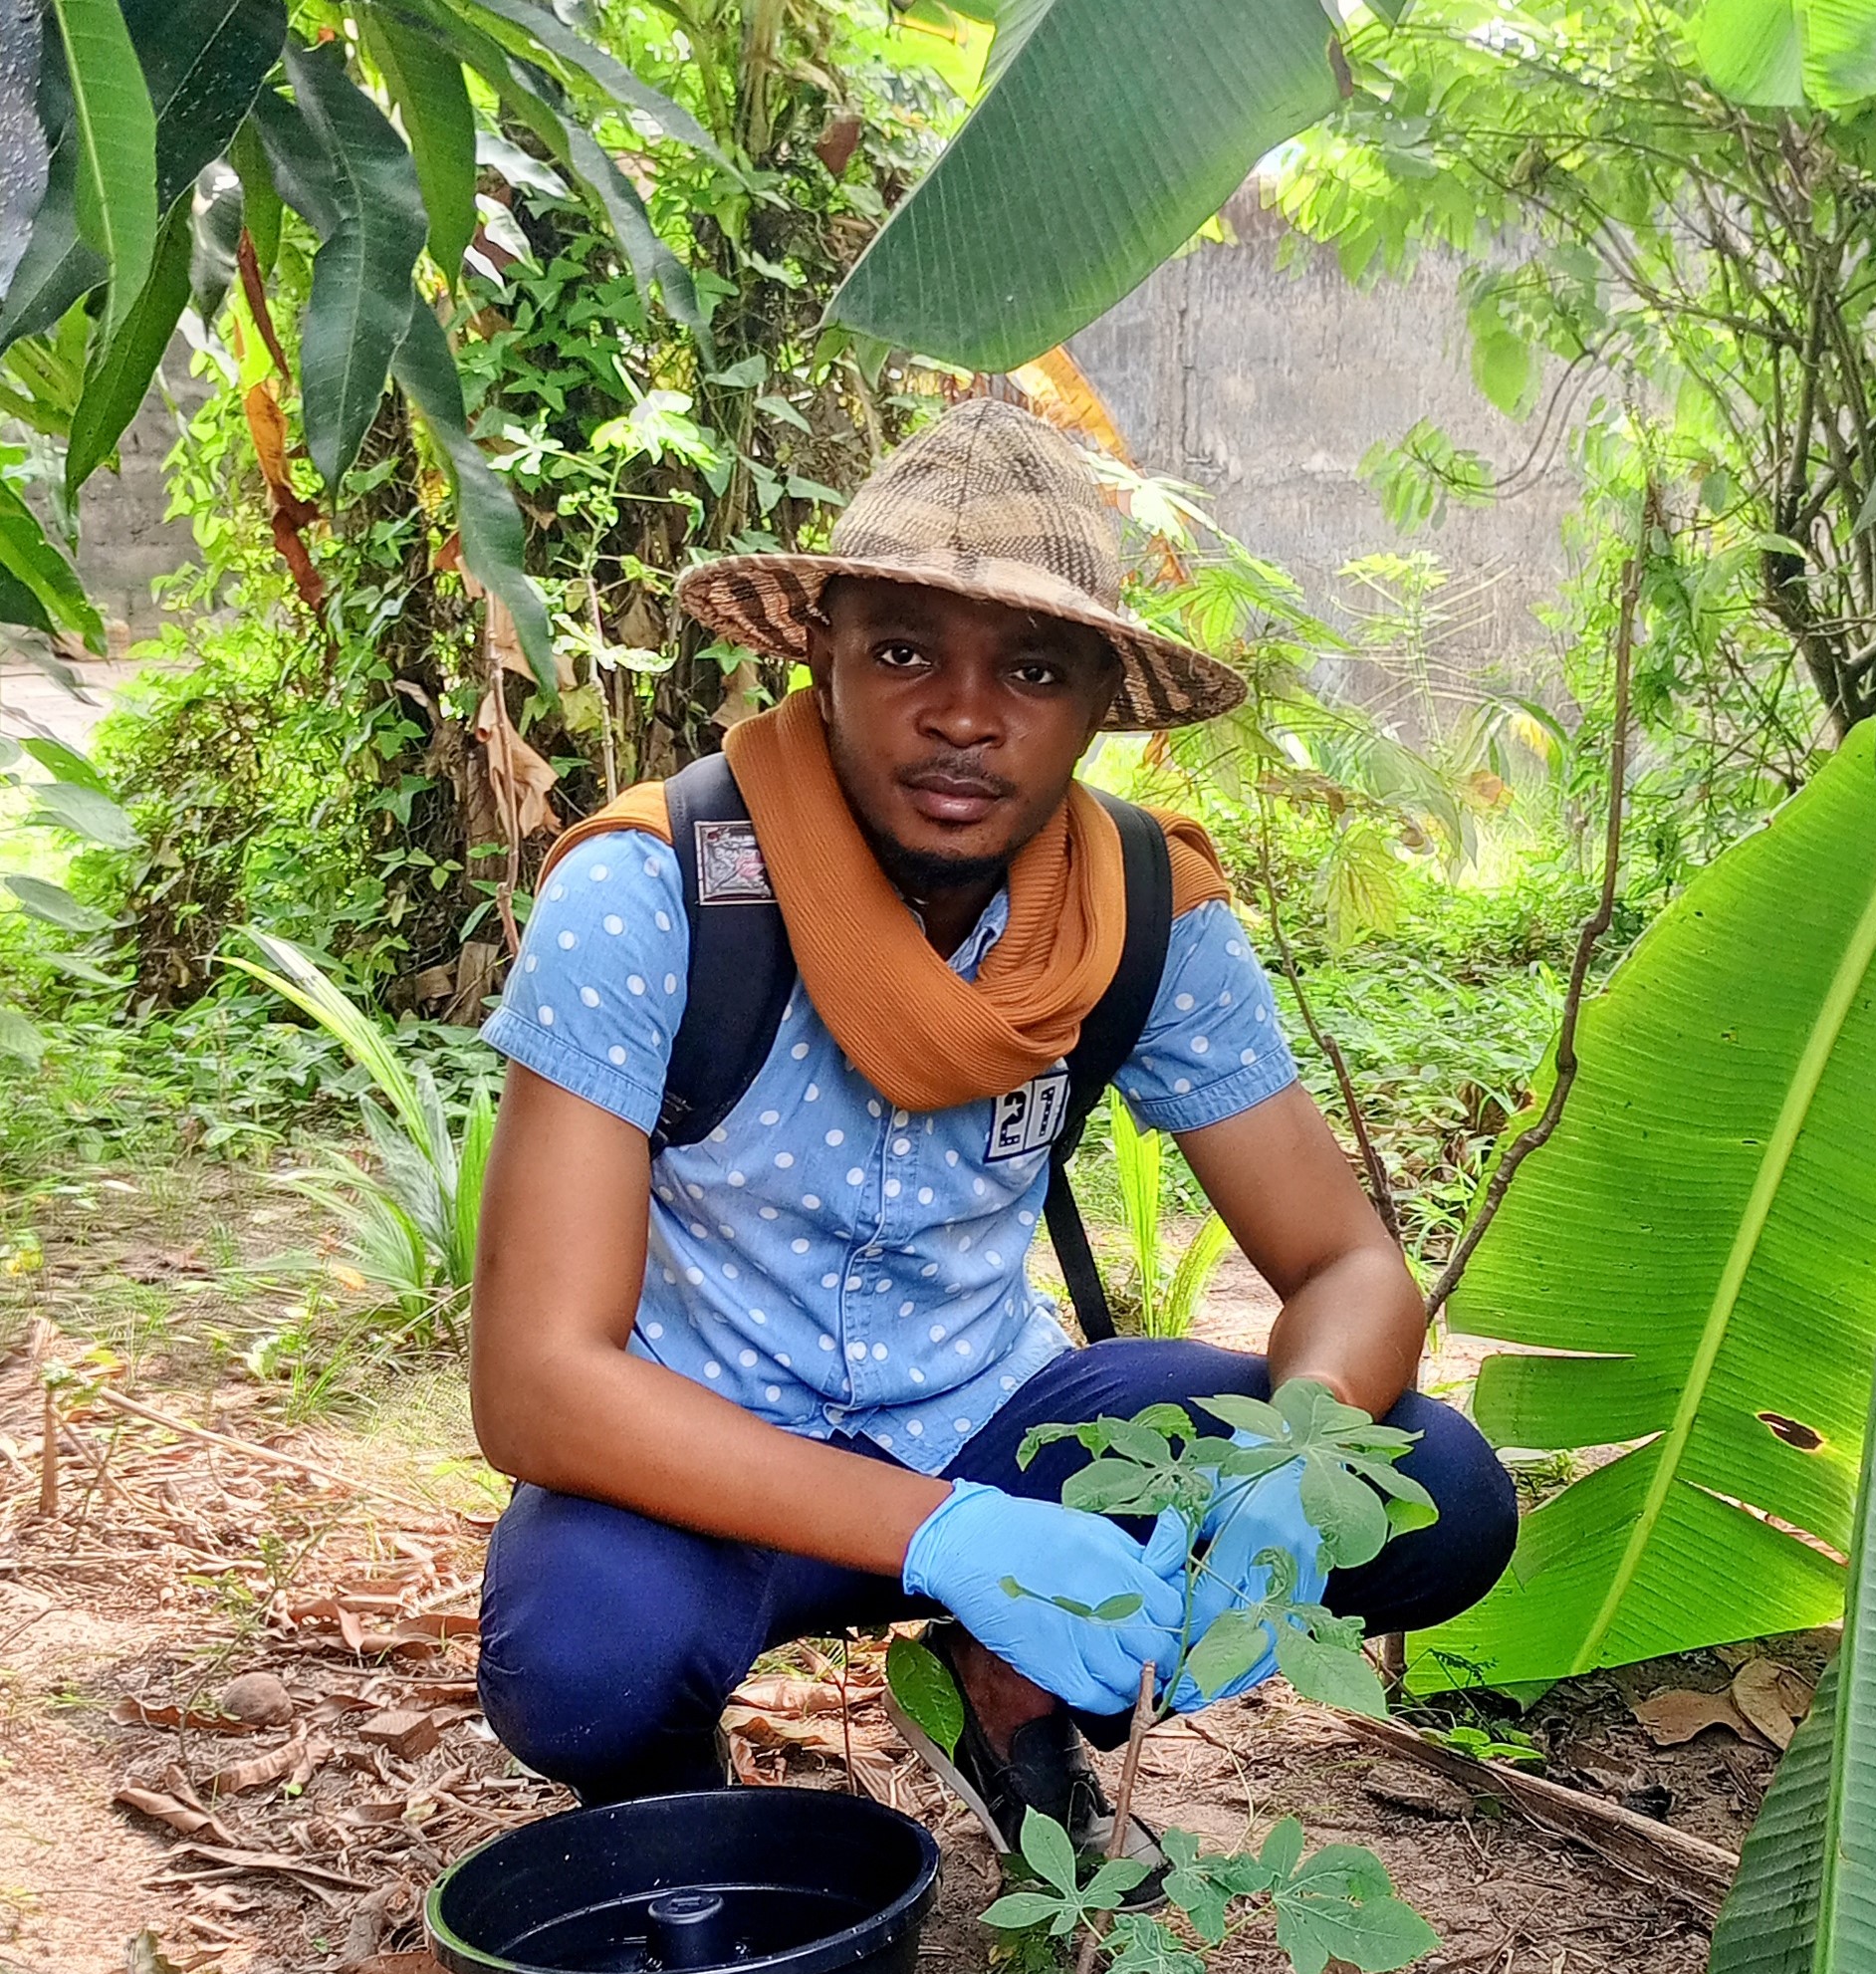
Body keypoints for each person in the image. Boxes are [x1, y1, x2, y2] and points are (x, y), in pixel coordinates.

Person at [470, 399, 1517, 1879]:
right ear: (821, 655)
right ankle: (672, 1802)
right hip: (709, 1460)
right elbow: (536, 1384)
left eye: (1034, 670)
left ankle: (1010, 1692)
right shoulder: (656, 894)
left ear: (1101, 706)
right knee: (586, 1655)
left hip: (988, 1415)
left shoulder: (1138, 914)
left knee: (1433, 1490)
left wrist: (1295, 1457)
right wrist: (951, 1540)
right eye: (905, 651)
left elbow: (1346, 1261)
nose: (965, 715)